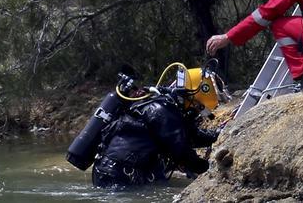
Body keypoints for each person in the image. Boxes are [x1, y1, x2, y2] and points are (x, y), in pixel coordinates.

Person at [91, 69, 221, 188]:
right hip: (118, 176)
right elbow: (182, 152)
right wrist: (211, 169)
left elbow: (190, 135)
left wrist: (219, 136)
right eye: (198, 108)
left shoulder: (160, 106)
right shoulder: (163, 110)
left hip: (110, 171)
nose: (197, 113)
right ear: (193, 98)